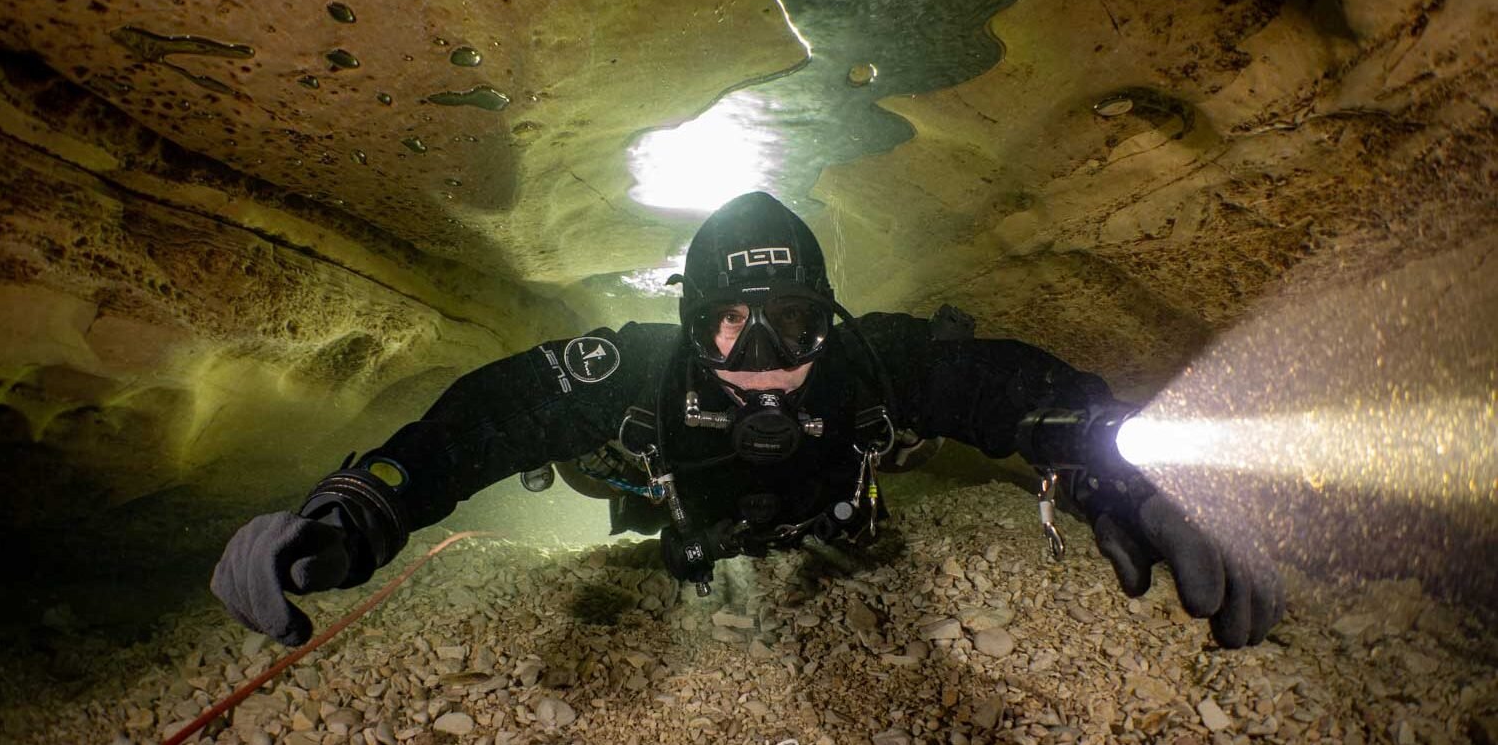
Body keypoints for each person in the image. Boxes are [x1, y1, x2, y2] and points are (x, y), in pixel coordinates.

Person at [212, 192, 1283, 651]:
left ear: (832, 317)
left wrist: (1111, 466)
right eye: (732, 328)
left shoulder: (870, 363)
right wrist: (368, 503)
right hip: (658, 492)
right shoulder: (633, 372)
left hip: (834, 513)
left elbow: (1006, 389)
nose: (768, 364)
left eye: (796, 325)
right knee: (584, 454)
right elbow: (490, 419)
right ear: (688, 326)